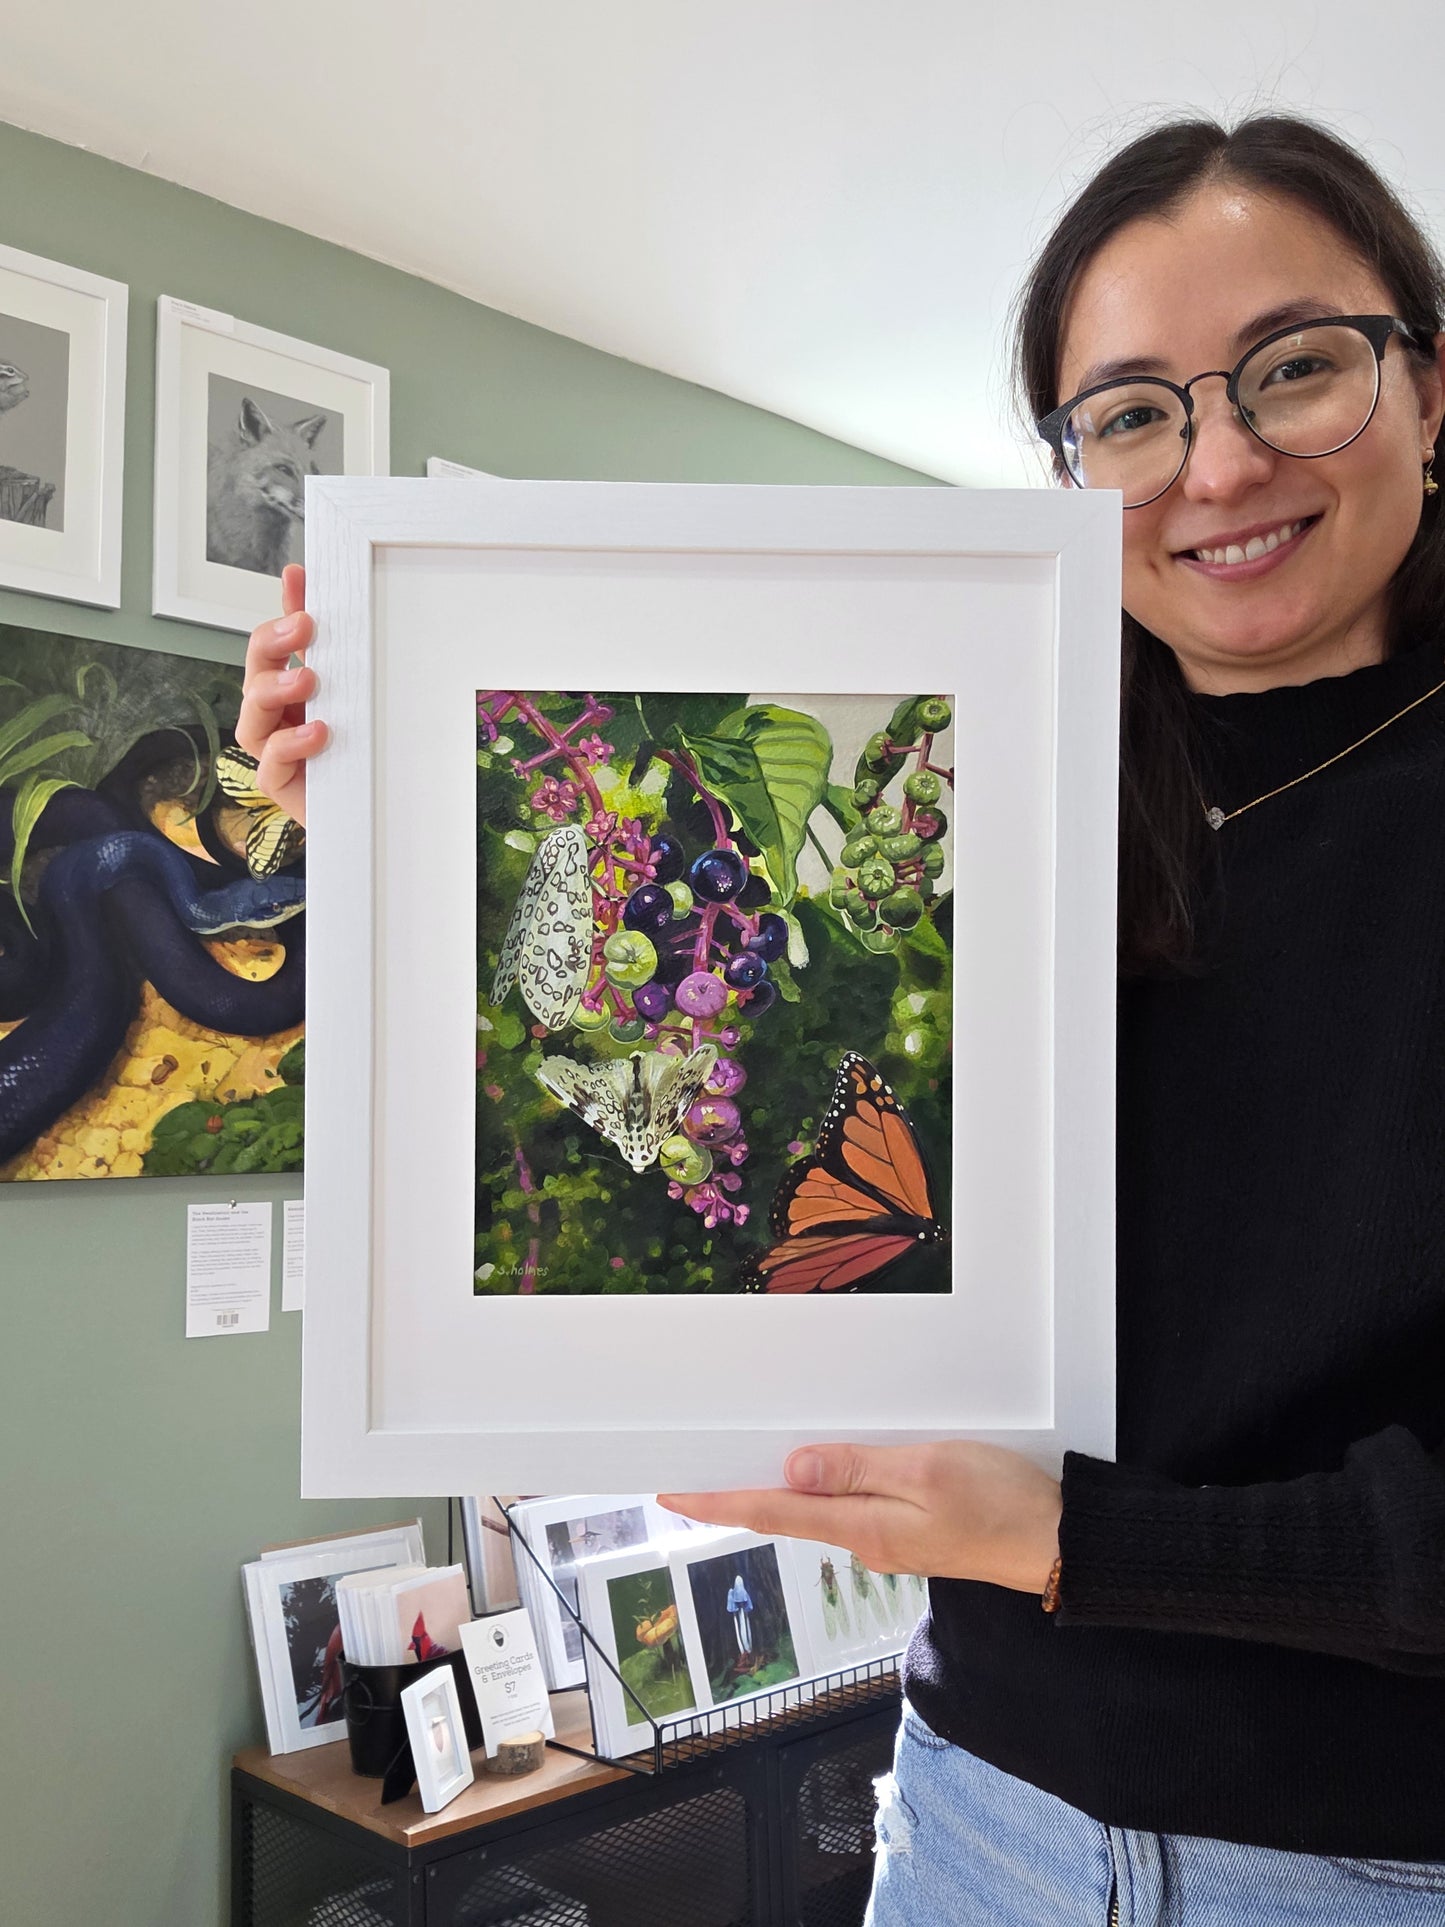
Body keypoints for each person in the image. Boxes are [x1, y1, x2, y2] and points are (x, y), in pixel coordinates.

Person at [242, 112, 1445, 1922]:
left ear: (1426, 384)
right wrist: (394, 813)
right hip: (973, 1815)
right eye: (1127, 410)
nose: (1216, 461)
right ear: (1067, 467)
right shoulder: (1003, 784)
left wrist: (1072, 1540)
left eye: (1292, 369)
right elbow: (702, 1097)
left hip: (1364, 1861)